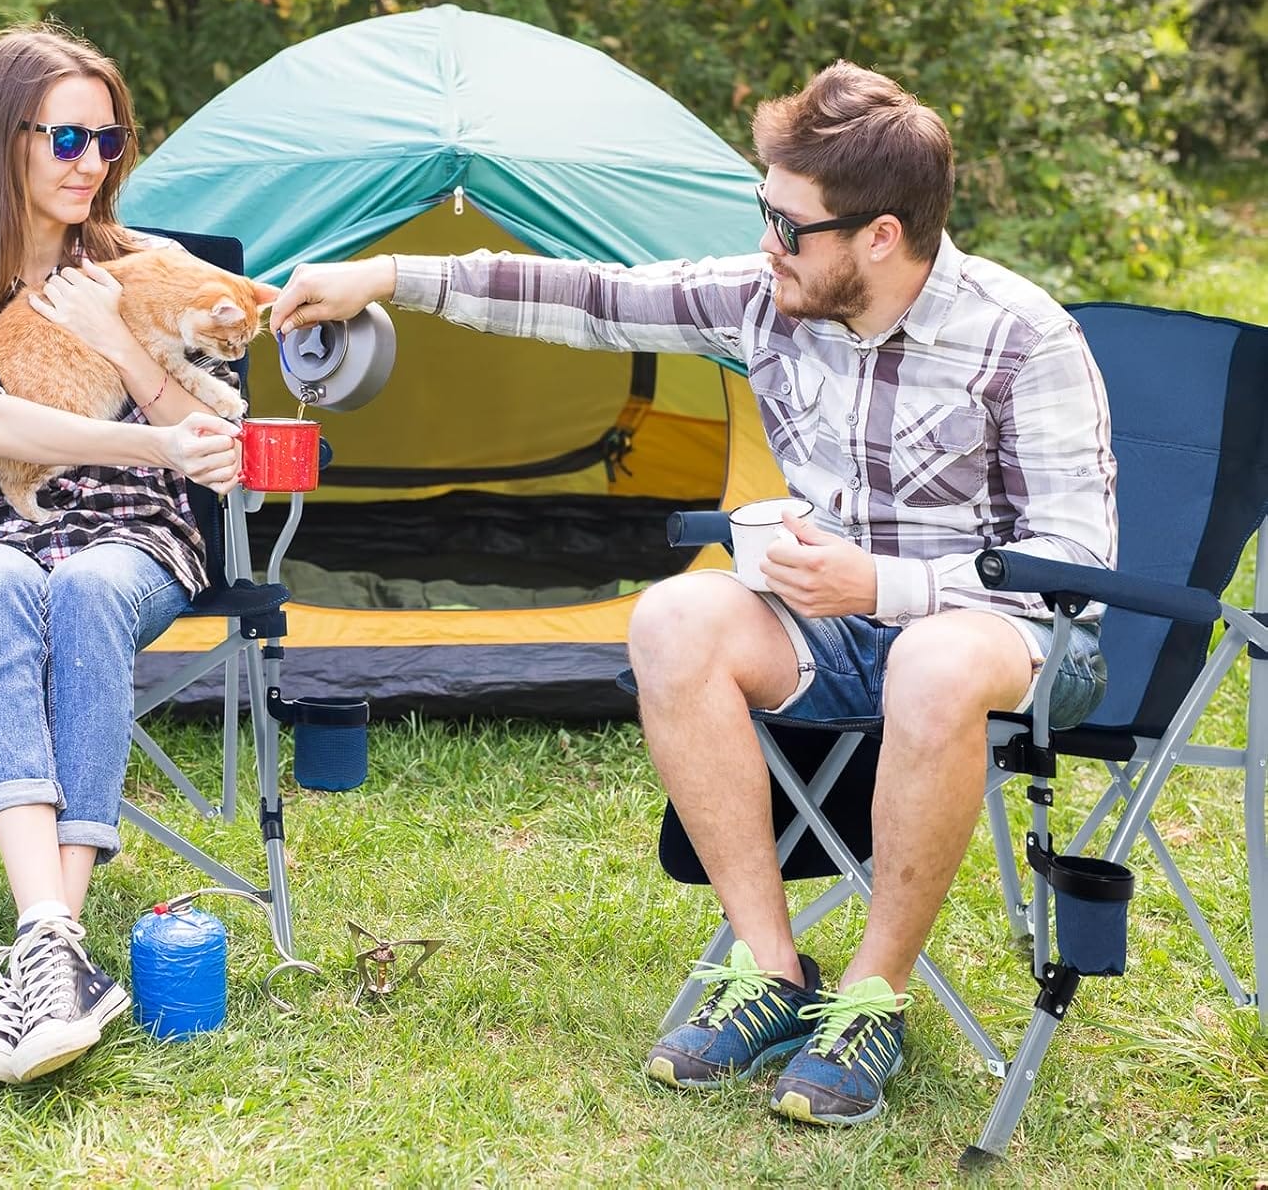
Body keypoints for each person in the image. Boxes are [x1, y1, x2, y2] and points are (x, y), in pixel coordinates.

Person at [268, 61, 1117, 1127]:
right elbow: (590, 299)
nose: (768, 242)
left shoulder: (1019, 338)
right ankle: (771, 969)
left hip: (1008, 637)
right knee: (674, 613)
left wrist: (885, 582)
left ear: (881, 237)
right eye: (764, 212)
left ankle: (875, 996)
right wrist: (386, 278)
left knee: (934, 656)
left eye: (789, 224)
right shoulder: (771, 300)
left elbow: (1075, 574)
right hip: (835, 622)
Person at [0, 22, 257, 1085]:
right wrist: (151, 435)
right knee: (3, 582)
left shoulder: (138, 266)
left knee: (90, 586)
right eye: (66, 139)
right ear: (2, 140)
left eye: (110, 139)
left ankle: (49, 953)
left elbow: (210, 437)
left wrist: (124, 350)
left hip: (135, 534)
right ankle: (54, 939)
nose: (91, 163)